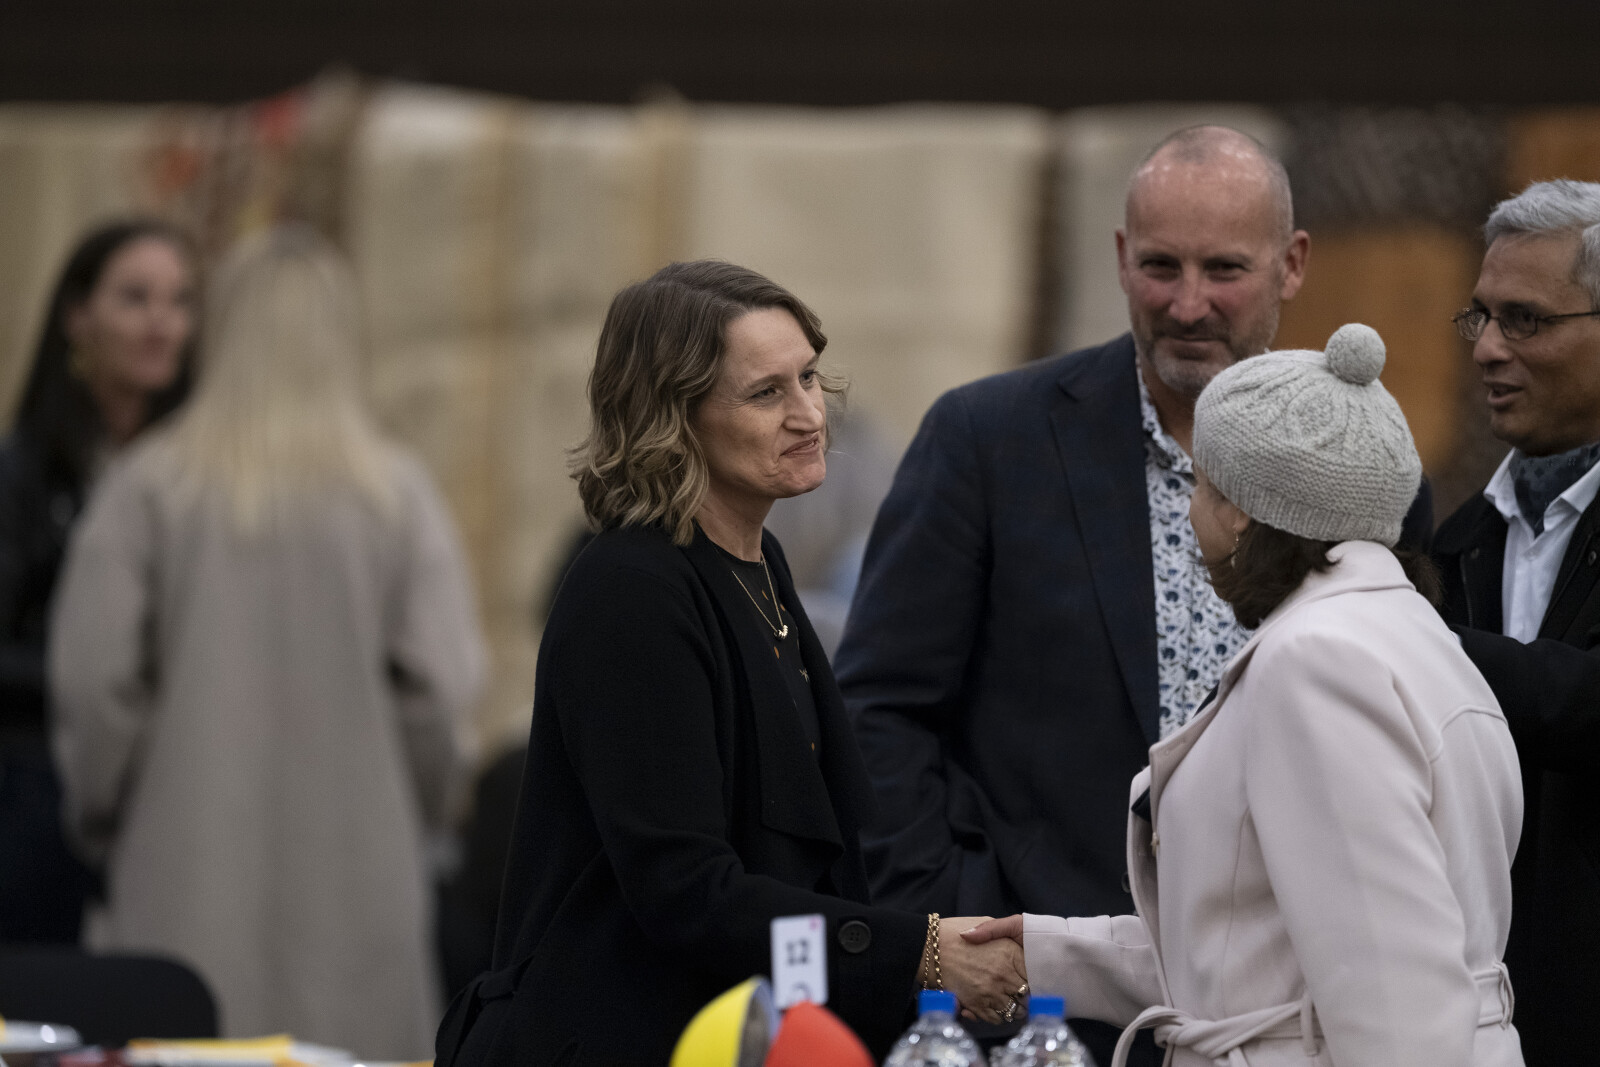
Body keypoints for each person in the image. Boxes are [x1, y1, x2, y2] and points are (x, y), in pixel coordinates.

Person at [435, 260, 1026, 1067]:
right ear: (673, 417)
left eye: (809, 377)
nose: (808, 414)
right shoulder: (632, 589)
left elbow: (805, 869)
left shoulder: (759, 563)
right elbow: (685, 891)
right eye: (765, 393)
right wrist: (919, 951)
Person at [835, 124, 1334, 1064]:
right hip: (1044, 1011)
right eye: (1160, 266)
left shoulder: (1349, 467)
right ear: (1118, 257)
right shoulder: (987, 440)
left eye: (1225, 268)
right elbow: (878, 710)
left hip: (1288, 1007)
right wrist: (950, 924)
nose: (1188, 302)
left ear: (1293, 264)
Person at [964, 323, 1524, 1067]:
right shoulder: (1414, 635)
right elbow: (1263, 953)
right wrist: (1042, 956)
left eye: (1202, 484)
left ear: (1242, 512)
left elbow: (1398, 1014)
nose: (1191, 510)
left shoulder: (1317, 662)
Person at [49, 225, 485, 1058]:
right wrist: (416, 816)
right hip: (361, 881)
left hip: (181, 879)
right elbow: (440, 687)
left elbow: (96, 687)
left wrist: (104, 816)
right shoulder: (398, 496)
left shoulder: (148, 488)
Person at [1433, 179, 1600, 1065]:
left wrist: (1406, 639)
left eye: (1526, 320)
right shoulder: (1456, 542)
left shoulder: (1409, 604)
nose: (1489, 349)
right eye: (1483, 317)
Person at [0, 219, 197, 944]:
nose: (161, 323)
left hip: (175, 794)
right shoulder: (22, 474)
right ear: (77, 316)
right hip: (40, 795)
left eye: (179, 301)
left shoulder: (200, 478)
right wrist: (102, 682)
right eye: (136, 298)